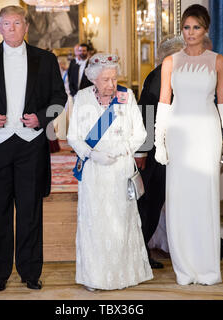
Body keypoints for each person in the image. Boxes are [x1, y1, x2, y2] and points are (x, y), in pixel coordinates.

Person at [0, 5, 67, 292]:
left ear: (26, 26)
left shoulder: (45, 60)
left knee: (31, 211)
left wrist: (42, 117)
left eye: (17, 23)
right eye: (6, 24)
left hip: (30, 146)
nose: (11, 28)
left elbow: (60, 98)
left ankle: (31, 271)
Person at [154, 4, 223, 285]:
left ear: (205, 29)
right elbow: (164, 102)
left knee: (205, 199)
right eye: (186, 27)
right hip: (178, 135)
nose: (190, 33)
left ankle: (208, 268)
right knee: (179, 200)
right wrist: (159, 142)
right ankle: (185, 268)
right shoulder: (170, 62)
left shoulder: (218, 61)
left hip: (208, 135)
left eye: (196, 27)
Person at [67, 53, 153, 291]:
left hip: (120, 169)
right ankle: (94, 276)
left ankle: (122, 275)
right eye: (105, 80)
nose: (111, 85)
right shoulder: (82, 98)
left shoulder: (126, 96)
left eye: (114, 78)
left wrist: (123, 149)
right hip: (94, 171)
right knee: (96, 223)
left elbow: (141, 134)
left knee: (121, 222)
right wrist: (93, 154)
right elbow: (72, 136)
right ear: (94, 80)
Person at [135, 35, 185, 269]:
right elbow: (146, 115)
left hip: (161, 150)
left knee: (153, 203)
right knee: (150, 204)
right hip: (154, 153)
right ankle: (139, 253)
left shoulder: (170, 77)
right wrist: (142, 153)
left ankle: (142, 252)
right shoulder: (158, 77)